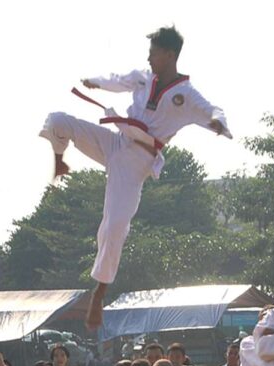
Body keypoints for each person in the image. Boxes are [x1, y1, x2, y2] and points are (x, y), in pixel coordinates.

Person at [39, 26, 231, 331]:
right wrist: (96, 83)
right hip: (115, 141)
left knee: (115, 225)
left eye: (154, 52)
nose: (149, 57)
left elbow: (212, 110)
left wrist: (219, 122)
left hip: (137, 160)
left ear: (169, 54)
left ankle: (98, 292)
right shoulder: (144, 76)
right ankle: (59, 162)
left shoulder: (186, 95)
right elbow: (118, 80)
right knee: (58, 121)